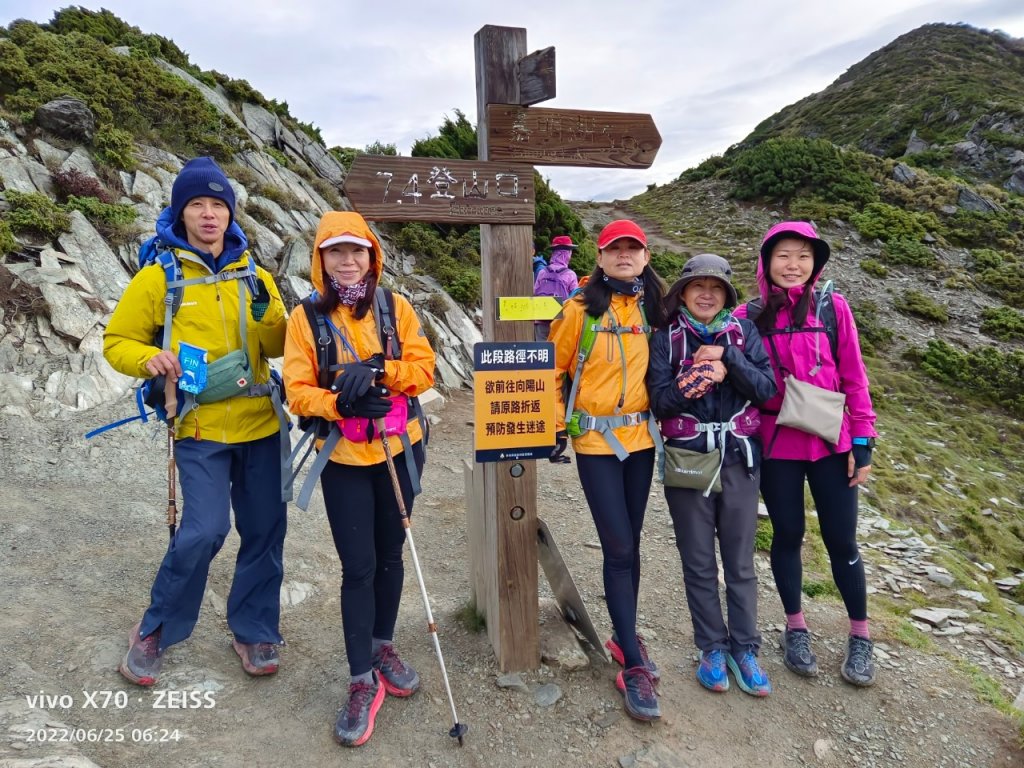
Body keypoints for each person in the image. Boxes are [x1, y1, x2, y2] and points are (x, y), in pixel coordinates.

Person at [103, 156, 288, 686]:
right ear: (180, 213)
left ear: (230, 214)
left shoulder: (256, 276)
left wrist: (268, 315)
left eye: (218, 205)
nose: (209, 215)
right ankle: (156, 627)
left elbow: (279, 345)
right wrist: (150, 359)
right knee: (204, 530)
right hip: (199, 426)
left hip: (260, 423)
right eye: (197, 205)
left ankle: (254, 629)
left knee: (265, 530)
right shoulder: (158, 278)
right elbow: (117, 342)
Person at [283, 210, 436, 747]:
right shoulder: (305, 318)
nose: (347, 261)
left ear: (373, 256)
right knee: (358, 567)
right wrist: (339, 402)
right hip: (343, 457)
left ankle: (381, 645)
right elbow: (296, 390)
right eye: (336, 251)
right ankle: (360, 679)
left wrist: (378, 371)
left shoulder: (396, 308)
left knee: (391, 555)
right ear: (320, 259)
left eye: (357, 251)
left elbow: (423, 369)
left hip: (401, 448)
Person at [733, 221, 878, 687]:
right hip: (776, 443)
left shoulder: (833, 308)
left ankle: (860, 635)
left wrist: (863, 440)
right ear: (766, 262)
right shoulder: (748, 315)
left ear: (815, 264)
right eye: (783, 256)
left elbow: (854, 376)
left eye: (803, 256)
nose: (793, 265)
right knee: (788, 534)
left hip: (833, 442)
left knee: (842, 540)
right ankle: (795, 628)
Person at [548, 219, 666, 721]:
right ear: (599, 258)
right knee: (618, 546)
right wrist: (557, 426)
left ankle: (623, 635)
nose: (624, 255)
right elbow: (552, 369)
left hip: (641, 440)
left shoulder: (654, 308)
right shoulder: (579, 310)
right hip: (595, 441)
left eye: (632, 249)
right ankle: (633, 665)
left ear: (645, 257)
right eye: (614, 248)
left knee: (631, 544)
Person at [647, 254, 777, 696]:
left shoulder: (744, 334)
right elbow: (660, 401)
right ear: (682, 293)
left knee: (740, 562)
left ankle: (745, 648)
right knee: (699, 560)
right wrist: (698, 378)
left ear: (726, 295)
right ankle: (712, 648)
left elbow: (767, 389)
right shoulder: (666, 339)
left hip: (740, 459)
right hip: (688, 460)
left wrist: (728, 358)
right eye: (698, 286)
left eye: (716, 287)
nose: (706, 294)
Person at [533, 235, 580, 341]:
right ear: (567, 254)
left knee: (542, 349)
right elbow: (575, 298)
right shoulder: (570, 274)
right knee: (558, 349)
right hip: (561, 321)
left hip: (541, 319)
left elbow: (535, 292)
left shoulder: (542, 272)